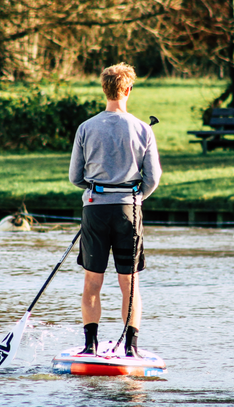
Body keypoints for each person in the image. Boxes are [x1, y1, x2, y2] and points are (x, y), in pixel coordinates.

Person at [69, 62, 162, 357]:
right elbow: (153, 178)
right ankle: (131, 349)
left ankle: (89, 345)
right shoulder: (142, 129)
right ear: (128, 89)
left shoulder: (86, 128)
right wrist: (135, 197)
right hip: (129, 212)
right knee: (129, 283)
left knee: (92, 281)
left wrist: (97, 190)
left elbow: (75, 177)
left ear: (104, 89)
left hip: (95, 210)